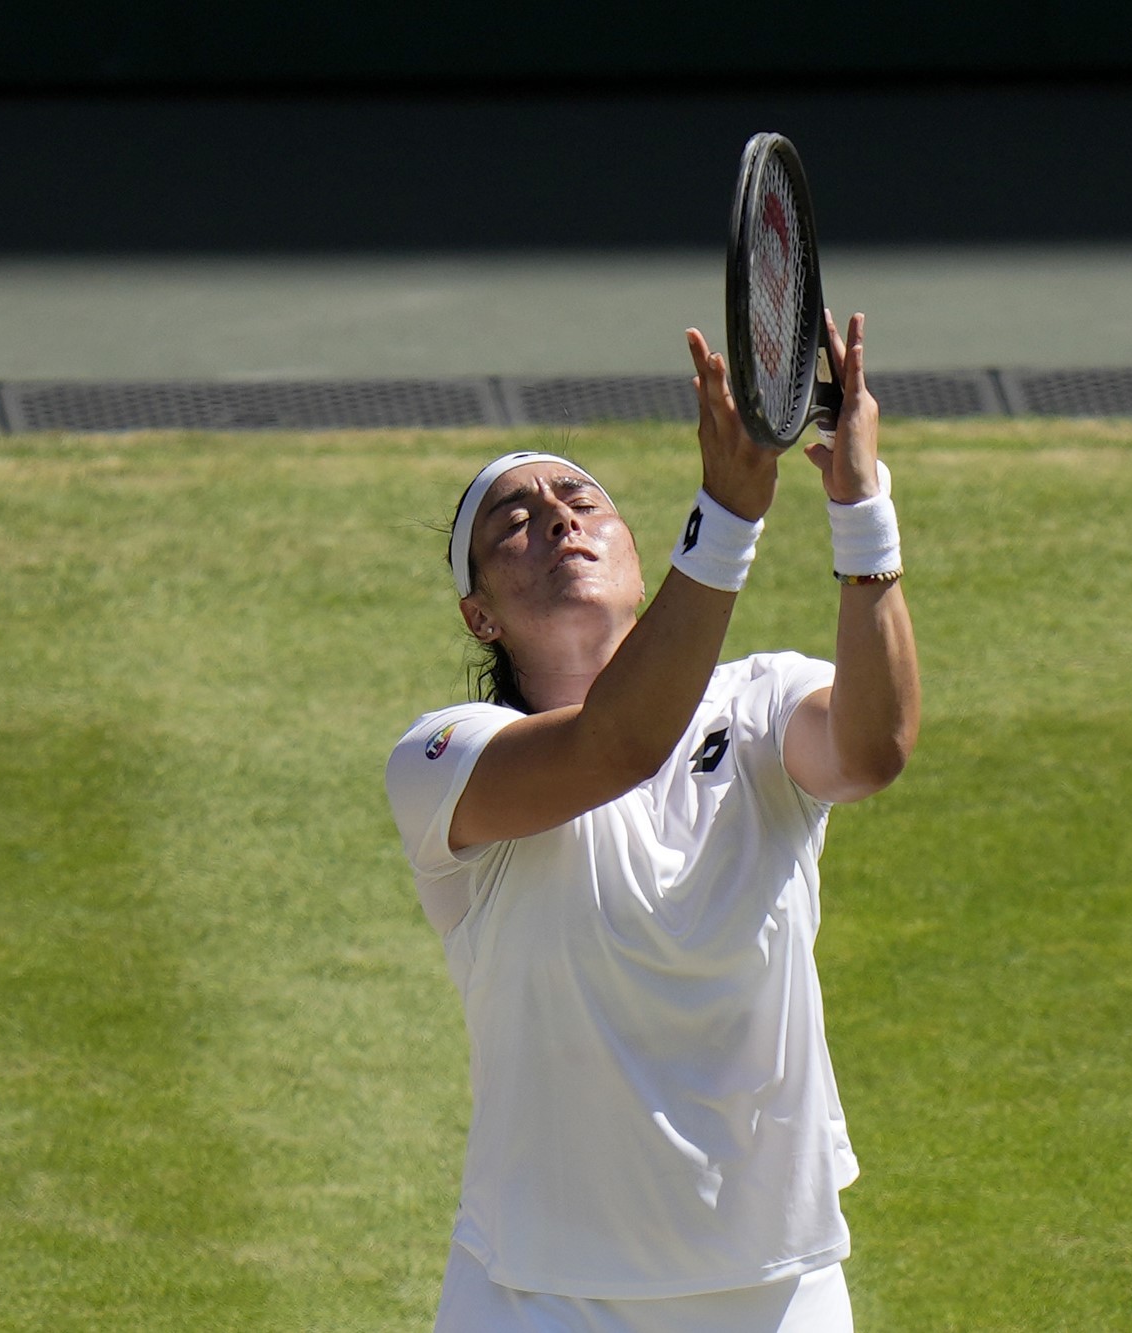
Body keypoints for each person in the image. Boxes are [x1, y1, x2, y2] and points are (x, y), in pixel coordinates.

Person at [384, 311, 919, 1333]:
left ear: (637, 562)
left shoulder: (764, 703)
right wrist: (726, 517)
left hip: (778, 1287)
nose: (554, 517)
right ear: (478, 614)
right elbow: (612, 747)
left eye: (579, 498)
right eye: (510, 520)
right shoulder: (444, 760)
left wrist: (860, 507)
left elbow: (869, 751)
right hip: (535, 1297)